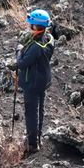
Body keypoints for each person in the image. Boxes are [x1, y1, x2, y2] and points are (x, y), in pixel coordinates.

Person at [9, 9, 54, 152]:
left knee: (31, 113)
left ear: (36, 26)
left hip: (32, 83)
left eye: (30, 24)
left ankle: (32, 143)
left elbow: (21, 64)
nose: (28, 25)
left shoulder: (35, 46)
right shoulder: (49, 38)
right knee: (40, 109)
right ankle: (37, 137)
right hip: (43, 79)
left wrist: (18, 52)